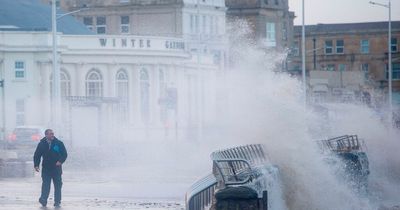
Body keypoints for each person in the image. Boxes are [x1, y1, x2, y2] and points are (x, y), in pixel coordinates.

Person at [33, 129, 68, 207]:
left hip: (56, 168)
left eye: (53, 134)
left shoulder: (58, 143)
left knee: (58, 185)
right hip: (46, 168)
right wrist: (36, 165)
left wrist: (60, 161)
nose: (52, 135)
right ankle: (43, 200)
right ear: (46, 135)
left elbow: (64, 154)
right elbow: (37, 155)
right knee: (46, 185)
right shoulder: (42, 144)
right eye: (50, 134)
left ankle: (57, 201)